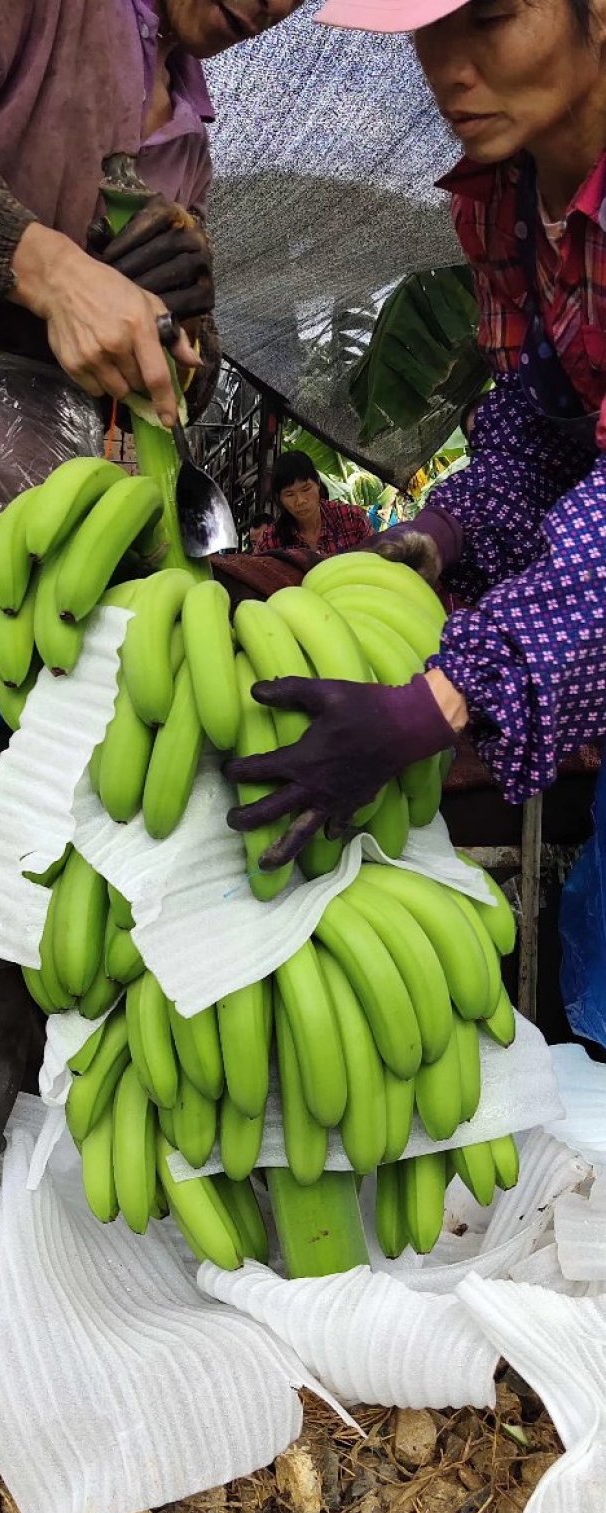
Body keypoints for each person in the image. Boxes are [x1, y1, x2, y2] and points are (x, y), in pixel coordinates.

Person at [0, 0, 303, 1363]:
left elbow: (153, 304)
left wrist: (169, 290)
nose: (268, 8)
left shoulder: (186, 90)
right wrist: (40, 262)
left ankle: (83, 1173)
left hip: (93, 476)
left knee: (98, 837)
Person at [228, 0, 606, 882]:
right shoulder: (513, 203)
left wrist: (438, 703)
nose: (446, 67)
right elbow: (540, 430)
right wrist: (451, 527)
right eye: (427, 27)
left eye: (493, 17)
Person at [252, 450, 374, 555]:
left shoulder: (353, 519)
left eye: (306, 489)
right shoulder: (270, 542)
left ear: (318, 483)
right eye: (289, 494)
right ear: (279, 499)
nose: (300, 501)